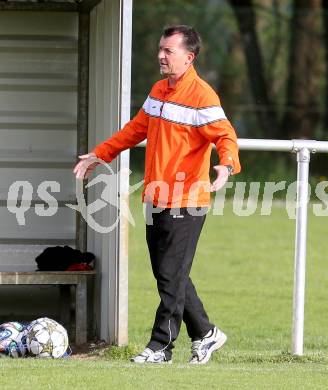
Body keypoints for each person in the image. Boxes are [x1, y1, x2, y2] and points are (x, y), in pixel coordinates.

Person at [74, 25, 241, 364]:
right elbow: (136, 129)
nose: (161, 56)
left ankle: (160, 346)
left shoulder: (203, 95)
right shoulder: (158, 90)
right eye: (160, 49)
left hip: (188, 200)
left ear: (189, 57)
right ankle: (207, 334)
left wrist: (226, 165)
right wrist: (100, 153)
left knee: (170, 275)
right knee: (170, 274)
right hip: (156, 198)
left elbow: (225, 136)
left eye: (169, 51)